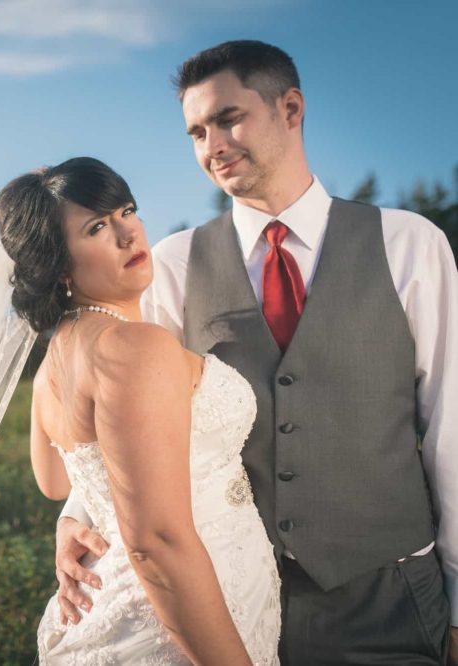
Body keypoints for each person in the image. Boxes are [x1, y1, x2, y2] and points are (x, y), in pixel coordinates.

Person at [55, 40, 458, 665]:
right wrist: (76, 515)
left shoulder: (410, 244)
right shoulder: (171, 265)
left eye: (228, 119)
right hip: (235, 601)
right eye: (195, 131)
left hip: (392, 595)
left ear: (290, 108)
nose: (211, 145)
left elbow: (451, 435)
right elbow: (125, 416)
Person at [0, 157, 280, 664]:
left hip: (119, 596)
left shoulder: (52, 366)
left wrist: (74, 521)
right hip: (183, 617)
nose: (129, 233)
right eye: (98, 227)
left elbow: (57, 483)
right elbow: (157, 541)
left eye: (128, 210)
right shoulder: (133, 347)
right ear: (58, 264)